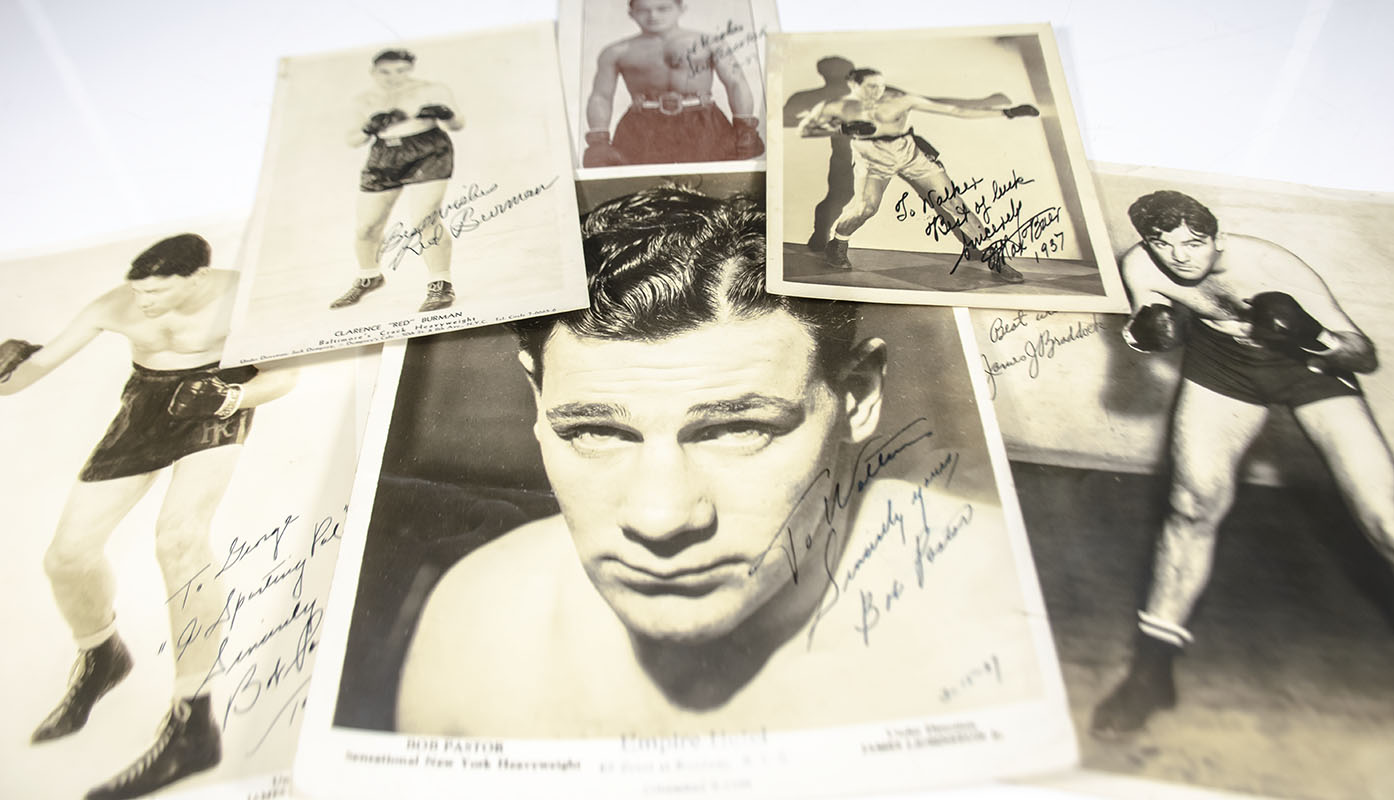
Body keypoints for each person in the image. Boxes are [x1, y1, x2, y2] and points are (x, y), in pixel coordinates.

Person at [396, 187, 1007, 736]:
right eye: (594, 431)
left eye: (738, 429)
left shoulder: (1001, 617)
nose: (660, 518)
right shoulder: (477, 620)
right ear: (538, 400)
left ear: (857, 397)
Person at [0, 234, 297, 799]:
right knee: (66, 558)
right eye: (140, 292)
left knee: (179, 539)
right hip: (145, 407)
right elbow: (34, 368)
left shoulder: (244, 295)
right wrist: (5, 371)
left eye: (158, 293)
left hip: (218, 399)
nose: (146, 305)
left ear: (198, 279)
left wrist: (228, 399)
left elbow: (284, 376)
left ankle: (192, 723)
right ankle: (102, 655)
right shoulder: (117, 304)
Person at [1090, 190, 1394, 737]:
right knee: (1191, 503)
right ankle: (1150, 673)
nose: (1179, 256)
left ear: (1217, 237)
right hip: (1224, 366)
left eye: (1193, 242)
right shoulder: (1140, 264)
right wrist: (1143, 333)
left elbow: (1363, 353)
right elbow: (1142, 326)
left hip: (1308, 366)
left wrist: (1312, 337)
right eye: (1164, 243)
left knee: (1387, 520)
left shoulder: (1269, 264)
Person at [797, 67, 1040, 283]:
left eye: (880, 86)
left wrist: (1006, 113)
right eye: (871, 86)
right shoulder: (837, 107)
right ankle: (838, 244)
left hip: (910, 154)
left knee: (953, 202)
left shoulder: (900, 100)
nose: (877, 91)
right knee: (866, 208)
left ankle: (992, 256)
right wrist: (842, 128)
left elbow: (954, 109)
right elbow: (805, 128)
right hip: (872, 160)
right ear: (854, 85)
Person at [331, 49, 465, 313]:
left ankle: (441, 282)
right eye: (386, 72)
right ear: (373, 72)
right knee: (367, 226)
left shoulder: (432, 89)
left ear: (411, 69)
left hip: (427, 149)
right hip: (385, 154)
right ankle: (369, 275)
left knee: (424, 219)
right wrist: (369, 128)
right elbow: (352, 140)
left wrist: (446, 114)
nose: (395, 77)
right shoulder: (363, 100)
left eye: (401, 70)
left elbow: (458, 123)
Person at [583, 0, 764, 167]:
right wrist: (598, 140)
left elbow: (735, 82)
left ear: (681, 9)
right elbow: (601, 96)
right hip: (642, 128)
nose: (653, 16)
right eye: (643, 10)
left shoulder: (710, 44)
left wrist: (745, 126)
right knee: (643, 189)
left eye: (663, 8)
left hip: (704, 124)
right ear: (632, 14)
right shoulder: (616, 52)